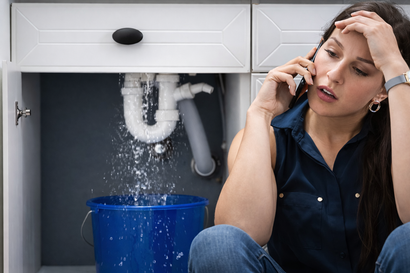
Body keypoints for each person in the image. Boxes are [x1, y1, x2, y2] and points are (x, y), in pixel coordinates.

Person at [188, 1, 410, 272]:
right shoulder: (267, 139)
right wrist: (260, 114)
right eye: (331, 52)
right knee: (216, 243)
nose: (334, 74)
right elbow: (237, 236)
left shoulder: (400, 140)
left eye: (360, 70)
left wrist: (396, 69)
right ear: (316, 50)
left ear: (382, 90)